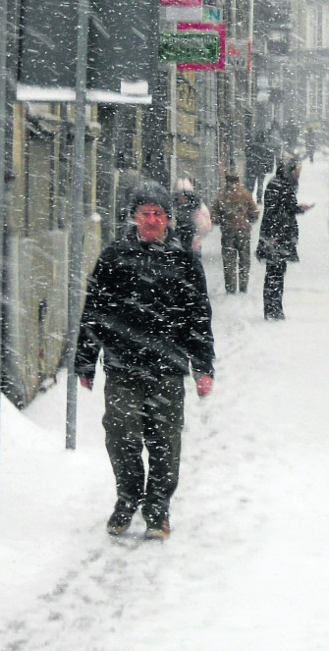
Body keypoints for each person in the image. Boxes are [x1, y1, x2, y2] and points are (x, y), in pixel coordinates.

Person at [75, 180, 215, 539]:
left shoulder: (184, 261)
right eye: (144, 214)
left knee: (165, 443)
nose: (151, 221)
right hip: (122, 367)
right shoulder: (113, 257)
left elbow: (198, 318)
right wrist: (86, 360)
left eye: (158, 214)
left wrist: (203, 367)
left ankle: (157, 509)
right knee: (120, 436)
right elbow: (95, 311)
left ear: (168, 220)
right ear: (133, 218)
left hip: (167, 369)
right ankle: (127, 496)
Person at [255, 156, 314, 320]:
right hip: (277, 236)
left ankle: (274, 308)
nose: (298, 175)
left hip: (279, 234)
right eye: (297, 171)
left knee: (276, 273)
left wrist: (298, 208)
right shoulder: (280, 186)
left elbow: (283, 208)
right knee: (275, 273)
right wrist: (273, 235)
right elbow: (274, 212)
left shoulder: (279, 184)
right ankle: (272, 309)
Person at [211, 172, 259, 294]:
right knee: (244, 259)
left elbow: (214, 217)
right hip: (243, 231)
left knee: (229, 261)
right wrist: (247, 220)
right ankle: (243, 287)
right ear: (238, 181)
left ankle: (230, 287)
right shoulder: (245, 195)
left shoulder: (221, 196)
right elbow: (255, 213)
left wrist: (223, 220)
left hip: (228, 232)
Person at [172, 177, 212, 254]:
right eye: (180, 196)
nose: (182, 198)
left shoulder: (196, 208)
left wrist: (196, 236)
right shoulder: (175, 207)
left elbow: (204, 225)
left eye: (184, 196)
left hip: (191, 238)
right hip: (181, 239)